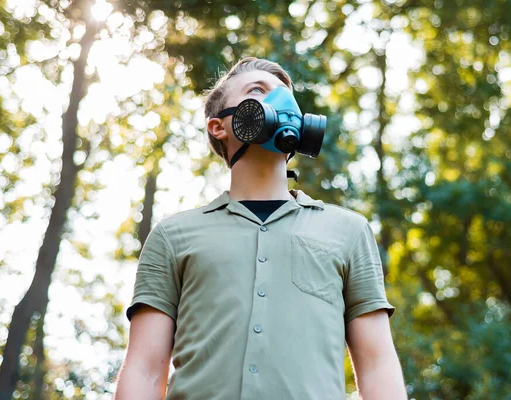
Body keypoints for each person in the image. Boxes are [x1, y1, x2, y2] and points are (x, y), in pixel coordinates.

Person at [115, 57, 407, 400]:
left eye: (286, 94)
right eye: (258, 90)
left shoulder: (349, 231)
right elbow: (145, 371)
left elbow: (377, 366)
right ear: (218, 127)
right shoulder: (173, 236)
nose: (280, 102)